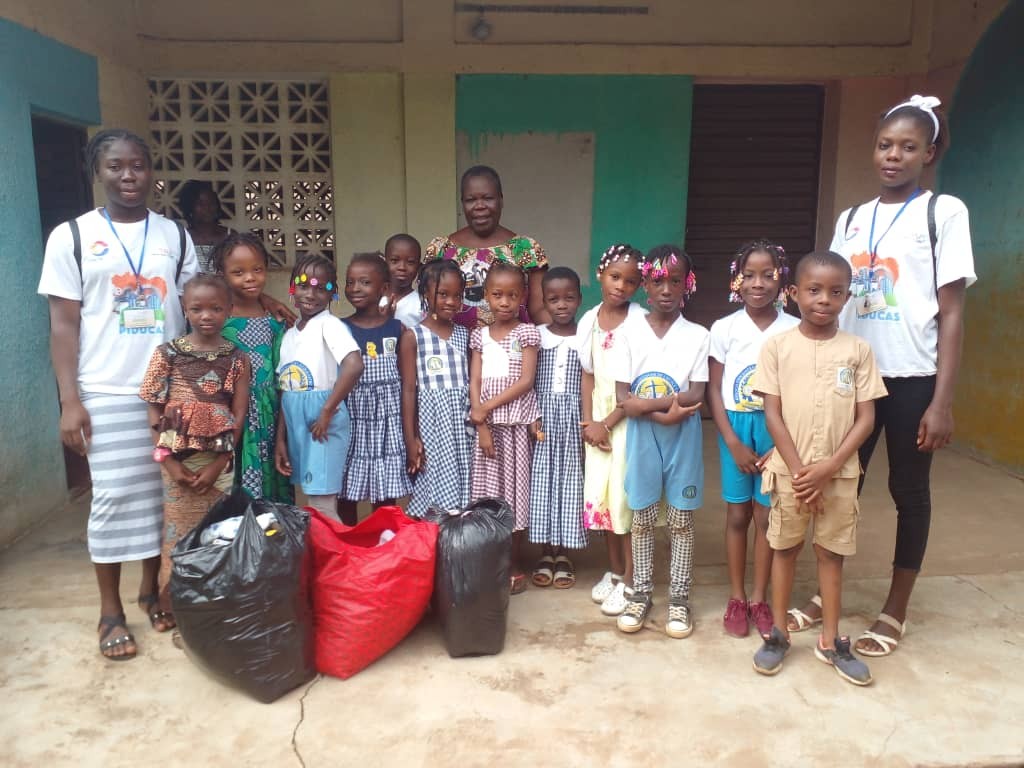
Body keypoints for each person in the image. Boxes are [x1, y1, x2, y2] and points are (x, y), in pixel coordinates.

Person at [788, 95, 976, 658]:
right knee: (842, 487)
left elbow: (953, 312)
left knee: (909, 491)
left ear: (930, 153)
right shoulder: (851, 218)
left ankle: (896, 607)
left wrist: (941, 401)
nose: (893, 156)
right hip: (851, 379)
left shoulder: (942, 213)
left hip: (913, 376)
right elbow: (832, 303)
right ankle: (829, 596)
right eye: (885, 145)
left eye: (908, 147)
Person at [38, 128, 198, 660]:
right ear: (97, 172)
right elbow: (63, 325)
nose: (128, 176)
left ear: (152, 171)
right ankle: (110, 612)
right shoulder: (73, 237)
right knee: (112, 499)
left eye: (138, 166)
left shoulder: (175, 236)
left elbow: (196, 307)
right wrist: (69, 401)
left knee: (163, 500)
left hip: (171, 389)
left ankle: (151, 590)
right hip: (106, 389)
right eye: (115, 166)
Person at [751, 250, 888, 686]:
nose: (823, 300)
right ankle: (777, 634)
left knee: (831, 554)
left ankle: (830, 640)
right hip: (790, 474)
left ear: (847, 297)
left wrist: (828, 467)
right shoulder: (777, 346)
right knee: (785, 549)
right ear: (793, 294)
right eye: (813, 290)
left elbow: (866, 418)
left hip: (839, 476)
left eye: (834, 292)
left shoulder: (858, 350)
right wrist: (798, 469)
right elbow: (772, 413)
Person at [139, 274, 249, 634]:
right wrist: (168, 462)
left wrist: (220, 463)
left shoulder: (237, 359)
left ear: (229, 310)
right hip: (176, 463)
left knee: (217, 533)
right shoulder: (166, 355)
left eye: (216, 308)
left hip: (220, 462)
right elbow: (154, 411)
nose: (207, 316)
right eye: (198, 308)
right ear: (184, 309)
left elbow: (238, 415)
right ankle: (170, 602)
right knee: (177, 534)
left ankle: (214, 603)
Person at [707, 240, 799, 638]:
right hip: (736, 428)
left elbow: (798, 393)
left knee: (766, 517)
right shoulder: (724, 328)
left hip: (776, 429)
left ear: (782, 279)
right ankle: (736, 597)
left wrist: (780, 446)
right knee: (738, 515)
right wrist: (731, 441)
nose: (758, 283)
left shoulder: (793, 329)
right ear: (736, 280)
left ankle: (760, 598)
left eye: (768, 274)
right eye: (749, 275)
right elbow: (714, 390)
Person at [615, 246, 707, 639]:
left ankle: (680, 598)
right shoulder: (628, 333)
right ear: (645, 287)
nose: (666, 289)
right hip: (643, 436)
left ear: (687, 284)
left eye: (675, 280)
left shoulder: (697, 335)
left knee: (682, 520)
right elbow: (622, 396)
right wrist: (659, 412)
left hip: (683, 433)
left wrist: (648, 405)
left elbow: (697, 391)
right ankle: (641, 593)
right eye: (657, 281)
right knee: (643, 518)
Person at [579, 244, 646, 617]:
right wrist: (590, 423)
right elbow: (588, 376)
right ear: (600, 274)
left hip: (627, 423)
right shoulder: (588, 320)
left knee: (626, 501)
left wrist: (607, 424)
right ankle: (616, 570)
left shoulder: (640, 322)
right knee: (603, 501)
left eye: (631, 281)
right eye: (615, 276)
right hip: (598, 427)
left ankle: (633, 578)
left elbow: (637, 386)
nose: (621, 286)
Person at [469, 261, 541, 594]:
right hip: (487, 430)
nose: (505, 302)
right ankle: (490, 564)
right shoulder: (479, 336)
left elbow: (526, 381)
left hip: (513, 428)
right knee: (487, 495)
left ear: (523, 296)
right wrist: (480, 420)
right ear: (485, 296)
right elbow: (475, 381)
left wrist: (487, 407)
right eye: (497, 295)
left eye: (513, 295)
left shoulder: (526, 333)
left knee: (514, 495)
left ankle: (512, 564)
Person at [275, 255, 364, 520]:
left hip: (321, 421)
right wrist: (281, 439)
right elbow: (287, 388)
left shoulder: (329, 325)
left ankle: (338, 559)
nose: (310, 294)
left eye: (320, 288)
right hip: (296, 420)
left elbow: (354, 365)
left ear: (332, 294)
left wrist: (327, 411)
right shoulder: (290, 334)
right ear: (292, 288)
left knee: (322, 505)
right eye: (303, 285)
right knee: (311, 501)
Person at [215, 232, 293, 502]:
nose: (250, 278)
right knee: (234, 484)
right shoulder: (216, 321)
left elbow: (283, 378)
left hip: (270, 415)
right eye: (238, 272)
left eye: (257, 270)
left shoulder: (275, 320)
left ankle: (273, 540)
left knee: (274, 481)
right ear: (222, 274)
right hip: (231, 416)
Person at [338, 254, 414, 525]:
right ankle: (347, 546)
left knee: (385, 494)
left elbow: (408, 386)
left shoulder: (398, 330)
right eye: (350, 282)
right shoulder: (339, 329)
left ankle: (381, 548)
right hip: (352, 421)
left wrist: (410, 437)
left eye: (364, 282)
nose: (355, 288)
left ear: (383, 289)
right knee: (346, 490)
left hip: (388, 422)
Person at [423, 165, 549, 328]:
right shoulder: (441, 249)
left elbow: (539, 309)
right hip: (452, 349)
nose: (479, 206)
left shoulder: (525, 249)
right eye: (471, 200)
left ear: (501, 200)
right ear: (462, 203)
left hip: (512, 349)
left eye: (488, 198)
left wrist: (561, 337)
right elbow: (428, 306)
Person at [529, 267, 586, 589]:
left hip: (573, 420)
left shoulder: (585, 336)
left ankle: (564, 552)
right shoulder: (537, 336)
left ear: (578, 299)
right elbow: (529, 382)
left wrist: (588, 420)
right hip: (545, 421)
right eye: (553, 299)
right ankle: (545, 551)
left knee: (569, 483)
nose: (561, 305)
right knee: (543, 483)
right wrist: (533, 417)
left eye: (568, 298)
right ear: (544, 302)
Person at [402, 260, 474, 518]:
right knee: (434, 480)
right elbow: (409, 390)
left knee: (465, 478)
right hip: (433, 424)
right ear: (425, 294)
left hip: (462, 422)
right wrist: (411, 439)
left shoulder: (465, 335)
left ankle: (460, 541)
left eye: (457, 296)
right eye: (443, 294)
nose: (451, 302)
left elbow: (471, 382)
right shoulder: (413, 336)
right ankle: (435, 544)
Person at [179, 180, 231, 274]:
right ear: (190, 208)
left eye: (211, 203)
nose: (207, 208)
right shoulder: (183, 238)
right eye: (201, 204)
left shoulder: (229, 236)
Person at [385, 233, 425, 328]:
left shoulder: (422, 304)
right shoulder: (373, 299)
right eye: (394, 260)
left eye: (410, 262)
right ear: (384, 263)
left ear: (419, 268)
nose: (402, 267)